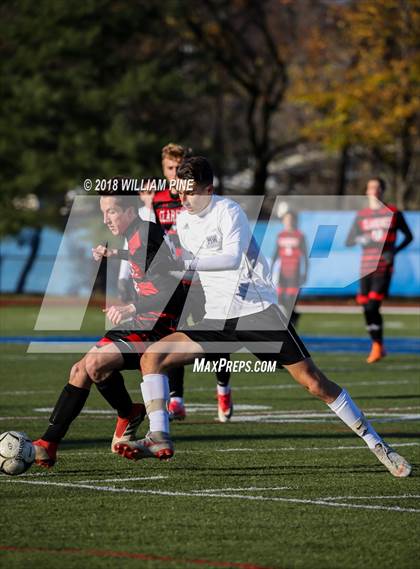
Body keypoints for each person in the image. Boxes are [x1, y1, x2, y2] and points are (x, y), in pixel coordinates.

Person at [114, 157, 412, 479]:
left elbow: (230, 257)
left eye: (190, 193)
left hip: (255, 313)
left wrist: (187, 263)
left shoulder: (229, 211)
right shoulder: (184, 222)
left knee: (314, 383)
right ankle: (160, 436)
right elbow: (189, 268)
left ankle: (378, 445)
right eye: (180, 193)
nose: (183, 200)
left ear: (209, 190)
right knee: (152, 358)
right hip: (217, 318)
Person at [33, 188, 185, 467]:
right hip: (143, 321)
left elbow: (172, 290)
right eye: (103, 212)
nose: (106, 219)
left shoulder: (148, 234)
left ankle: (53, 441)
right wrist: (116, 253)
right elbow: (147, 261)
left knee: (92, 364)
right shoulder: (138, 233)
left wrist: (131, 307)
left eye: (112, 211)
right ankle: (50, 443)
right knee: (84, 368)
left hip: (158, 326)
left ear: (130, 211)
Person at [119, 143, 233, 422]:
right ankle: (176, 399)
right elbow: (149, 236)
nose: (174, 175)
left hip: (203, 273)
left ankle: (223, 387)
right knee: (172, 335)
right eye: (169, 169)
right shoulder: (156, 198)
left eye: (178, 169)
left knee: (214, 337)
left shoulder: (198, 198)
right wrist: (146, 208)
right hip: (173, 276)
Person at [346, 177, 413, 363]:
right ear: (366, 192)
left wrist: (394, 251)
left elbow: (409, 236)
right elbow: (349, 240)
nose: (374, 191)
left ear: (383, 190)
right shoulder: (362, 215)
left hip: (383, 267)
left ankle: (377, 346)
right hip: (366, 266)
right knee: (366, 306)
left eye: (377, 187)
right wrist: (362, 240)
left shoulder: (393, 212)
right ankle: (378, 345)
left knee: (373, 305)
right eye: (370, 188)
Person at [272, 210, 308, 326]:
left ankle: (292, 319)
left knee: (291, 301)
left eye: (290, 219)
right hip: (283, 273)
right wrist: (271, 271)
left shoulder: (300, 236)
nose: (288, 222)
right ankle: (292, 318)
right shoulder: (280, 235)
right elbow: (275, 255)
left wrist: (304, 273)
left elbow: (305, 258)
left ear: (295, 221)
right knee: (281, 300)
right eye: (286, 219)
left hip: (295, 273)